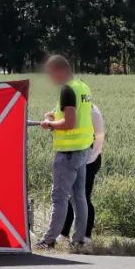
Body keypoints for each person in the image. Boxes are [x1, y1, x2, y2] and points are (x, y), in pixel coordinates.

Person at [36, 55, 93, 251]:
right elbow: (74, 116)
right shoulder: (82, 86)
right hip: (83, 150)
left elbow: (70, 122)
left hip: (68, 152)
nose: (50, 78)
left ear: (59, 70)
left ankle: (49, 240)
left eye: (51, 74)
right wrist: (55, 116)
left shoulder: (67, 89)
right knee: (79, 197)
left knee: (59, 198)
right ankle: (78, 240)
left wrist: (49, 124)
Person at [62, 100, 105, 242]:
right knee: (67, 196)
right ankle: (63, 233)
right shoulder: (73, 108)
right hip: (74, 158)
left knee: (83, 197)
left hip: (89, 160)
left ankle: (86, 236)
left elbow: (97, 141)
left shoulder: (93, 113)